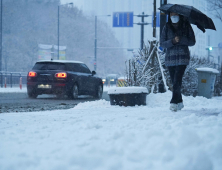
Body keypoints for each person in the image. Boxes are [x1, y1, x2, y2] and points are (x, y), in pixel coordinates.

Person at [160, 12, 196, 111]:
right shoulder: (166, 27)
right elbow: (162, 43)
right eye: (172, 14)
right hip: (170, 58)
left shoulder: (186, 26)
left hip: (182, 57)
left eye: (175, 14)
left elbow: (192, 41)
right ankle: (179, 102)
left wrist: (181, 40)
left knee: (177, 80)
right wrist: (173, 41)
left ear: (180, 15)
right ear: (169, 16)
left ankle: (173, 102)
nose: (174, 16)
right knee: (174, 81)